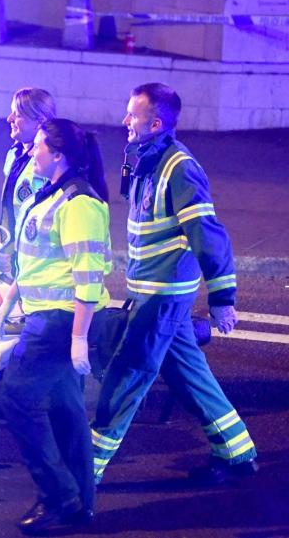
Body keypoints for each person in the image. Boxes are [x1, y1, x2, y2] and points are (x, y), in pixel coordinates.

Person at [91, 83, 257, 485]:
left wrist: (222, 299)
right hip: (150, 292)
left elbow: (207, 233)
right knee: (188, 374)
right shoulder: (147, 158)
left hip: (161, 299)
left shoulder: (179, 167)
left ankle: (82, 475)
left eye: (132, 115)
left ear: (156, 122)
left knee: (126, 377)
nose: (124, 121)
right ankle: (238, 454)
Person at [0, 118, 111, 535]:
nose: (32, 150)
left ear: (58, 155)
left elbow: (88, 275)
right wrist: (10, 298)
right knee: (66, 412)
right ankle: (81, 504)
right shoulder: (55, 195)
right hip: (50, 316)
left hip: (59, 322)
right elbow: (40, 259)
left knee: (16, 400)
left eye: (39, 145)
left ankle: (59, 498)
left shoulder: (78, 203)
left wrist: (78, 336)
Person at [1, 88, 56, 249]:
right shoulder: (14, 153)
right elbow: (7, 207)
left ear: (40, 121)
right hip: (10, 247)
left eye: (17, 115)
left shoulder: (47, 162)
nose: (9, 118)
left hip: (31, 252)